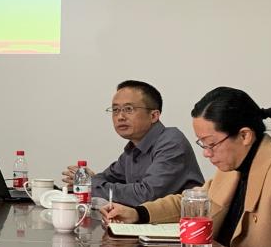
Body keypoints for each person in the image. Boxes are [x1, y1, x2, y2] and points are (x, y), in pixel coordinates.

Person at [103, 87, 271, 247]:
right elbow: (190, 202)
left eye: (212, 144)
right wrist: (138, 213)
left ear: (245, 135)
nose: (206, 153)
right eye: (203, 144)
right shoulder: (232, 168)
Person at [61, 80, 203, 207]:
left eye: (128, 109)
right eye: (115, 110)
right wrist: (91, 182)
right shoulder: (132, 149)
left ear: (154, 116)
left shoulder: (171, 142)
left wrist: (90, 184)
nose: (120, 117)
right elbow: (103, 179)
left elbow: (146, 196)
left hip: (184, 225)